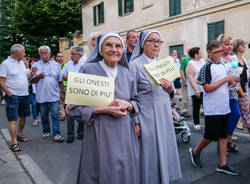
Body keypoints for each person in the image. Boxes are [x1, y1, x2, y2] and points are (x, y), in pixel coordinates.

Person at [68, 32, 140, 184]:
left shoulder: (126, 72)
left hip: (124, 133)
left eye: (118, 46)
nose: (114, 49)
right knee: (100, 173)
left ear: (123, 49)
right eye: (109, 45)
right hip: (98, 132)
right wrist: (103, 109)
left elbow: (137, 102)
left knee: (124, 174)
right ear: (100, 49)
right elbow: (73, 109)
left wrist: (127, 104)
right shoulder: (87, 69)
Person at [129, 30, 182, 184]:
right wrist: (136, 122)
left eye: (158, 41)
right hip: (146, 115)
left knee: (164, 149)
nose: (156, 44)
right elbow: (131, 96)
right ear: (142, 44)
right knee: (149, 153)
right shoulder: (135, 65)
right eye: (151, 41)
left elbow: (170, 94)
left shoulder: (162, 63)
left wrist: (170, 89)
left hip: (164, 113)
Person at [189, 40, 240, 175]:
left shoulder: (223, 65)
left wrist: (231, 82)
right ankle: (195, 152)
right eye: (217, 52)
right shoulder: (206, 67)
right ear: (209, 52)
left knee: (223, 135)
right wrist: (225, 79)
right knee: (210, 136)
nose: (220, 54)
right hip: (213, 108)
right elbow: (207, 88)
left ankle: (222, 164)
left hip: (224, 106)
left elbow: (222, 85)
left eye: (220, 51)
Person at [0, 44, 34, 152]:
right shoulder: (6, 64)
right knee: (13, 119)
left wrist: (31, 74)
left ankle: (19, 135)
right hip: (13, 96)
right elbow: (1, 81)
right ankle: (14, 142)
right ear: (17, 53)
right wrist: (9, 94)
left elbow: (26, 77)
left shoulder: (22, 63)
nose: (25, 54)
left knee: (23, 117)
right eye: (23, 52)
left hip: (24, 94)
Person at [30, 45, 65, 142]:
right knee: (44, 115)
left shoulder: (56, 65)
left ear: (49, 54)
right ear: (39, 54)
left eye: (45, 53)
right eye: (41, 53)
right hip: (41, 95)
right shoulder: (35, 65)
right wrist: (39, 77)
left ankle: (57, 134)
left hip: (54, 95)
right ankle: (46, 131)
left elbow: (60, 80)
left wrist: (61, 93)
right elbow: (31, 81)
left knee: (55, 114)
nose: (43, 55)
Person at [218, 35, 241, 152]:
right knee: (224, 119)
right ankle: (224, 144)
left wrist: (238, 81)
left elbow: (237, 72)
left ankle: (228, 140)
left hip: (233, 92)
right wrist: (228, 80)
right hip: (221, 93)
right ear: (221, 45)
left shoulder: (233, 59)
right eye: (227, 44)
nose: (230, 47)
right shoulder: (218, 59)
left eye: (231, 44)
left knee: (236, 115)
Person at [62, 46, 84, 143]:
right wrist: (76, 78)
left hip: (83, 91)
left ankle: (81, 132)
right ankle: (70, 134)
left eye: (72, 54)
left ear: (79, 55)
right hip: (70, 90)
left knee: (82, 111)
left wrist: (71, 77)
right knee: (69, 113)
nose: (70, 56)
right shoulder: (68, 64)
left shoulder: (85, 63)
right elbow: (63, 76)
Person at [186, 47, 206, 130]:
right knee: (197, 106)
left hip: (204, 88)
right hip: (196, 89)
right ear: (196, 54)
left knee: (206, 106)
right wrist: (195, 89)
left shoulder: (203, 61)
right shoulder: (190, 64)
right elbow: (190, 77)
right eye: (200, 52)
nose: (202, 53)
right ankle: (196, 123)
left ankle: (208, 122)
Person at [233, 39, 250, 135]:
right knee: (246, 114)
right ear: (237, 47)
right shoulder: (234, 59)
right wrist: (238, 89)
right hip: (237, 91)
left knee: (242, 113)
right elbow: (234, 73)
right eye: (242, 45)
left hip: (243, 89)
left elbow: (244, 74)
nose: (244, 47)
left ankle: (229, 137)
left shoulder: (243, 59)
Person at [28, 58, 40, 126]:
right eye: (31, 62)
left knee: (38, 105)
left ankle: (37, 116)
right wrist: (32, 74)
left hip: (40, 91)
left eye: (34, 62)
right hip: (32, 91)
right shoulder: (28, 71)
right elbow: (28, 80)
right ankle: (35, 119)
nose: (32, 63)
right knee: (34, 105)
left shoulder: (40, 70)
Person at [180, 49, 191, 116]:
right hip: (186, 80)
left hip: (193, 80)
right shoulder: (185, 59)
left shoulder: (194, 59)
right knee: (185, 97)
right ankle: (183, 111)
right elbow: (181, 70)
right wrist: (184, 81)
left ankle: (201, 110)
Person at [56, 53, 66, 121]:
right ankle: (62, 114)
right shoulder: (55, 66)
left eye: (62, 56)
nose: (61, 57)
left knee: (66, 100)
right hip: (58, 85)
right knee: (60, 101)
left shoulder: (66, 65)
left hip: (66, 84)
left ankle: (67, 112)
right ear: (56, 58)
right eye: (59, 56)